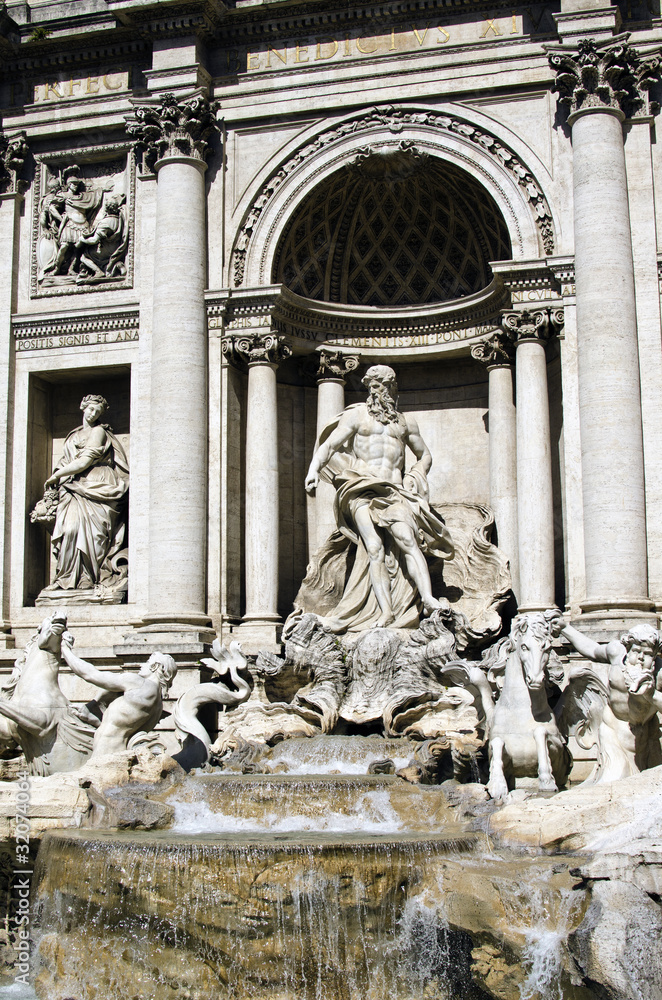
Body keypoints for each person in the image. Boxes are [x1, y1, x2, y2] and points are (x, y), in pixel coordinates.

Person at [302, 364, 453, 632]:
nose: (375, 390)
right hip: (360, 487)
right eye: (371, 385)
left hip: (394, 490)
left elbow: (425, 455)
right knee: (374, 547)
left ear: (393, 388)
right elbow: (330, 446)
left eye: (381, 385)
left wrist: (415, 474)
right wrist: (313, 469)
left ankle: (428, 599)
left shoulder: (405, 422)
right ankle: (385, 613)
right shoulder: (358, 416)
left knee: (408, 540)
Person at [37, 394, 129, 601]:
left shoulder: (99, 432)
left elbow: (85, 460)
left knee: (94, 537)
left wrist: (56, 475)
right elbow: (67, 460)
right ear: (82, 407)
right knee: (69, 530)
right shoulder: (73, 435)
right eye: (91, 409)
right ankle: (65, 579)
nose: (93, 414)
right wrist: (60, 473)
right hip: (72, 487)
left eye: (98, 412)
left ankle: (89, 579)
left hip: (97, 484)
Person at [61, 638, 177, 760]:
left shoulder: (140, 684)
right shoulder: (158, 705)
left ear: (155, 666)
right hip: (116, 754)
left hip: (105, 755)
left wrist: (65, 649)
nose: (141, 665)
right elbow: (122, 727)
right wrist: (93, 719)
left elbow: (90, 674)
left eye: (147, 662)